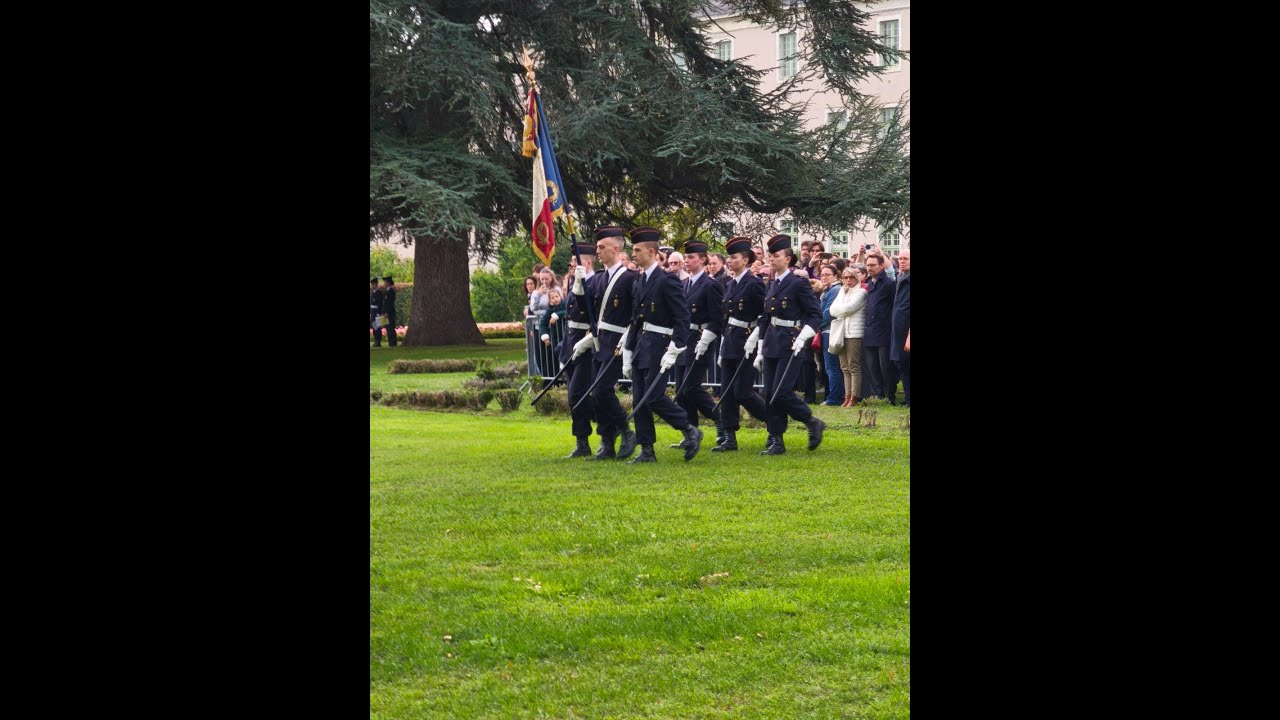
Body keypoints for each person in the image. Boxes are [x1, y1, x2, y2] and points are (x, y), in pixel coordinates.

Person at [622, 226, 703, 463]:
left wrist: (676, 347)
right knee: (639, 399)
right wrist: (628, 349)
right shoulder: (638, 281)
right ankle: (647, 450)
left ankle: (689, 430)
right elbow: (635, 319)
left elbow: (682, 316)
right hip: (641, 346)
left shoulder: (667, 280)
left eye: (636, 250)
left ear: (651, 251)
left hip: (660, 346)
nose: (633, 254)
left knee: (654, 397)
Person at [748, 234, 826, 455]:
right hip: (773, 341)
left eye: (776, 255)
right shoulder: (772, 284)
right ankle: (776, 439)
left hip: (791, 342)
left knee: (781, 391)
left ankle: (811, 421)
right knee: (770, 393)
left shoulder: (798, 283)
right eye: (770, 255)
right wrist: (760, 346)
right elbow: (766, 317)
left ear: (788, 258)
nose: (771, 259)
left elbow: (815, 314)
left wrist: (804, 336)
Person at [570, 227, 640, 461]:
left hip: (618, 342)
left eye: (602, 247)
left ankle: (626, 430)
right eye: (597, 247)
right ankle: (606, 443)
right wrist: (580, 286)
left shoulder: (630, 278)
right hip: (600, 341)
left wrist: (627, 340)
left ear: (617, 249)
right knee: (598, 394)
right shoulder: (599, 278)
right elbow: (585, 311)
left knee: (601, 389)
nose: (597, 250)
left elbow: (635, 313)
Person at [714, 237, 769, 451]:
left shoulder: (754, 283)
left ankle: (773, 424)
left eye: (734, 257)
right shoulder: (728, 285)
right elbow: (725, 316)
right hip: (729, 340)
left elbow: (763, 314)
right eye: (728, 257)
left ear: (745, 260)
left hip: (747, 340)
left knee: (743, 392)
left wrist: (756, 337)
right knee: (726, 391)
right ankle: (729, 437)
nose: (729, 261)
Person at [670, 240, 724, 449]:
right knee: (681, 391)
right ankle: (691, 432)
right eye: (686, 257)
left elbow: (716, 318)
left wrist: (705, 340)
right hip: (684, 340)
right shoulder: (684, 284)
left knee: (690, 388)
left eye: (692, 257)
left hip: (701, 340)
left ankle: (719, 421)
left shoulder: (711, 285)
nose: (687, 261)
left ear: (703, 260)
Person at [556, 242, 600, 458]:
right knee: (575, 396)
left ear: (588, 262)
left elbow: (591, 315)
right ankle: (582, 442)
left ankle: (613, 426)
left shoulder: (596, 282)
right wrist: (563, 351)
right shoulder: (575, 282)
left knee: (579, 395)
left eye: (575, 261)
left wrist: (582, 287)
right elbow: (570, 319)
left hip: (587, 345)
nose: (571, 264)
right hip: (571, 343)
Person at [828, 266, 868, 407]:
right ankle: (847, 396)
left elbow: (848, 309)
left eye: (851, 277)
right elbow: (832, 310)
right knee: (844, 367)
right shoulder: (842, 291)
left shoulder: (861, 292)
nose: (848, 280)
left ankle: (854, 397)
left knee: (853, 366)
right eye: (845, 277)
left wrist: (841, 309)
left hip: (855, 333)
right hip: (842, 332)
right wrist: (842, 295)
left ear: (856, 278)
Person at [862, 252, 898, 403]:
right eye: (868, 265)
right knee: (872, 367)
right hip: (870, 331)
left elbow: (893, 307)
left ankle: (889, 396)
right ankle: (879, 395)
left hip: (884, 331)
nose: (869, 268)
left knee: (886, 368)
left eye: (873, 265)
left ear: (881, 266)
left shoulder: (889, 283)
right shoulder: (870, 283)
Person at [817, 264, 844, 405]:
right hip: (826, 331)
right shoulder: (827, 291)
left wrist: (815, 324)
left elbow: (828, 313)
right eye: (822, 274)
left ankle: (834, 398)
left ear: (835, 276)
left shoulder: (835, 290)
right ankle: (834, 396)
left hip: (830, 331)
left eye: (828, 274)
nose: (824, 277)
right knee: (829, 367)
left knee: (831, 367)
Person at [889, 248, 910, 408]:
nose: (902, 261)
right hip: (898, 328)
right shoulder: (900, 277)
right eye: (900, 259)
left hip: (907, 330)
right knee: (901, 363)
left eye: (906, 259)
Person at [379, 276, 398, 347]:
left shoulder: (391, 291)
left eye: (385, 282)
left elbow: (390, 303)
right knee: (388, 328)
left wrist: (387, 312)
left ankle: (393, 343)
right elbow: (385, 303)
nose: (384, 283)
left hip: (389, 313)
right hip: (386, 313)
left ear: (388, 283)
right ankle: (390, 343)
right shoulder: (387, 291)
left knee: (391, 328)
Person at [370, 277, 385, 346]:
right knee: (374, 327)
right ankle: (376, 340)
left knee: (378, 328)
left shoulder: (379, 293)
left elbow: (380, 304)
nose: (373, 286)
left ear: (377, 285)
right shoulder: (372, 293)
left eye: (374, 284)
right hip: (373, 312)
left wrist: (379, 313)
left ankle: (378, 341)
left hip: (377, 312)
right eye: (372, 284)